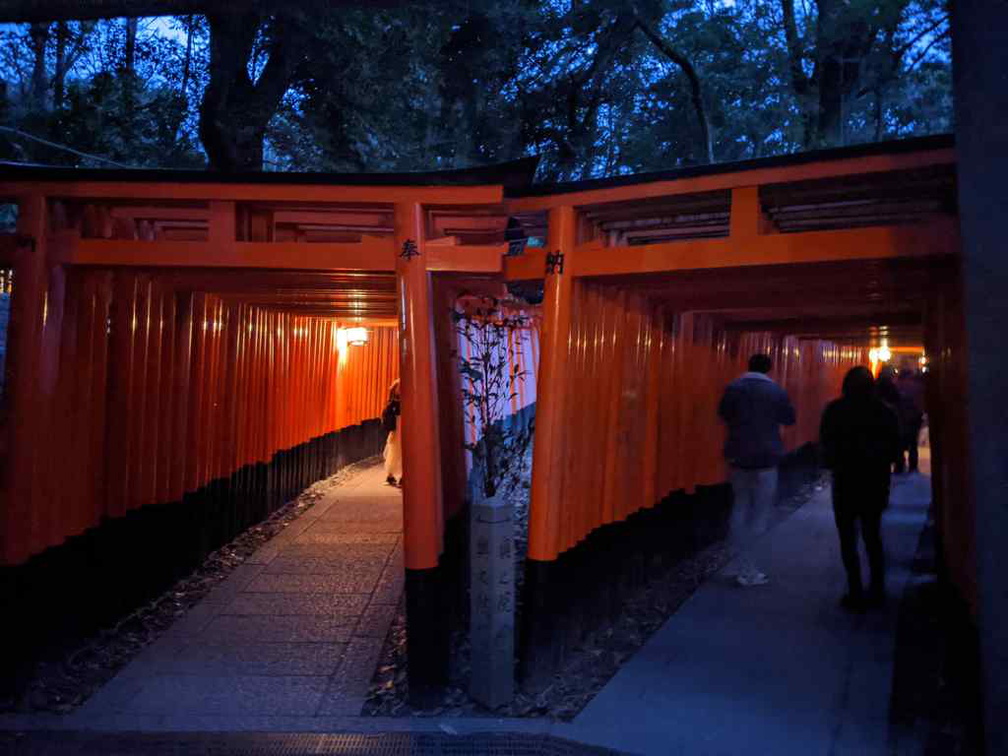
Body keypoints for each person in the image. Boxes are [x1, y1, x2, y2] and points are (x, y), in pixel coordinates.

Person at [819, 367, 901, 612]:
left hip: (845, 481)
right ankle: (877, 589)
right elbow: (895, 450)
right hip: (875, 482)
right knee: (872, 535)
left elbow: (826, 446)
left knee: (848, 538)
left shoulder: (835, 410)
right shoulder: (885, 412)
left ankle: (854, 590)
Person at [717, 353, 797, 587]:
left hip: (738, 455)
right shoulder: (776, 392)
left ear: (748, 366)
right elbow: (789, 418)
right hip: (766, 457)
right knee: (760, 513)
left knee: (740, 506)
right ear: (769, 369)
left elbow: (723, 414)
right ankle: (749, 569)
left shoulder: (733, 388)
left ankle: (738, 563)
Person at [896, 368, 925, 473]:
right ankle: (913, 466)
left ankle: (899, 465)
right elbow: (921, 401)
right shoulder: (917, 386)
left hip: (900, 417)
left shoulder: (896, 385)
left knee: (899, 442)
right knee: (913, 443)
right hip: (914, 417)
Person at [382, 379, 402, 486]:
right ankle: (390, 475)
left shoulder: (394, 403)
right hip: (397, 428)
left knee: (399, 451)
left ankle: (400, 475)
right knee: (394, 451)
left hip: (401, 426)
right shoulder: (393, 403)